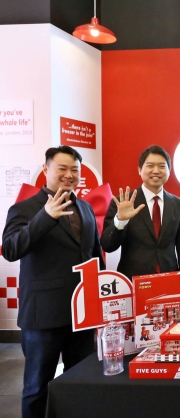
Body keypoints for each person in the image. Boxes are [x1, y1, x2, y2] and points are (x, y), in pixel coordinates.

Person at [2, 146, 104, 418]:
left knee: (79, 383)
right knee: (37, 387)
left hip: (82, 317)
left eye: (75, 170)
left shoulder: (85, 208)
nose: (69, 175)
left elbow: (94, 256)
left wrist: (100, 304)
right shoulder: (25, 208)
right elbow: (11, 249)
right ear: (46, 170)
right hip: (42, 316)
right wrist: (45, 217)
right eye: (62, 168)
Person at [101, 145, 180, 278]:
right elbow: (108, 245)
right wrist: (121, 220)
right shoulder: (123, 202)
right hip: (133, 280)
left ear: (169, 170)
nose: (156, 171)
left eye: (162, 166)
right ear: (139, 170)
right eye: (150, 166)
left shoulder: (179, 205)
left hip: (169, 278)